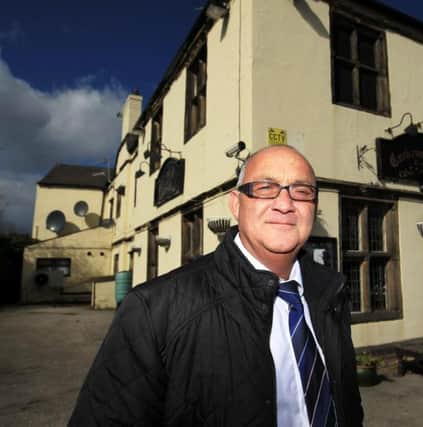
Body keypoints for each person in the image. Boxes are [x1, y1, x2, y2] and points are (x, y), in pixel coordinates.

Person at [69, 145, 363, 427]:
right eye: (265, 188)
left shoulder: (331, 292)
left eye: (301, 191)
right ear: (236, 204)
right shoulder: (154, 310)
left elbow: (347, 402)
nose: (285, 204)